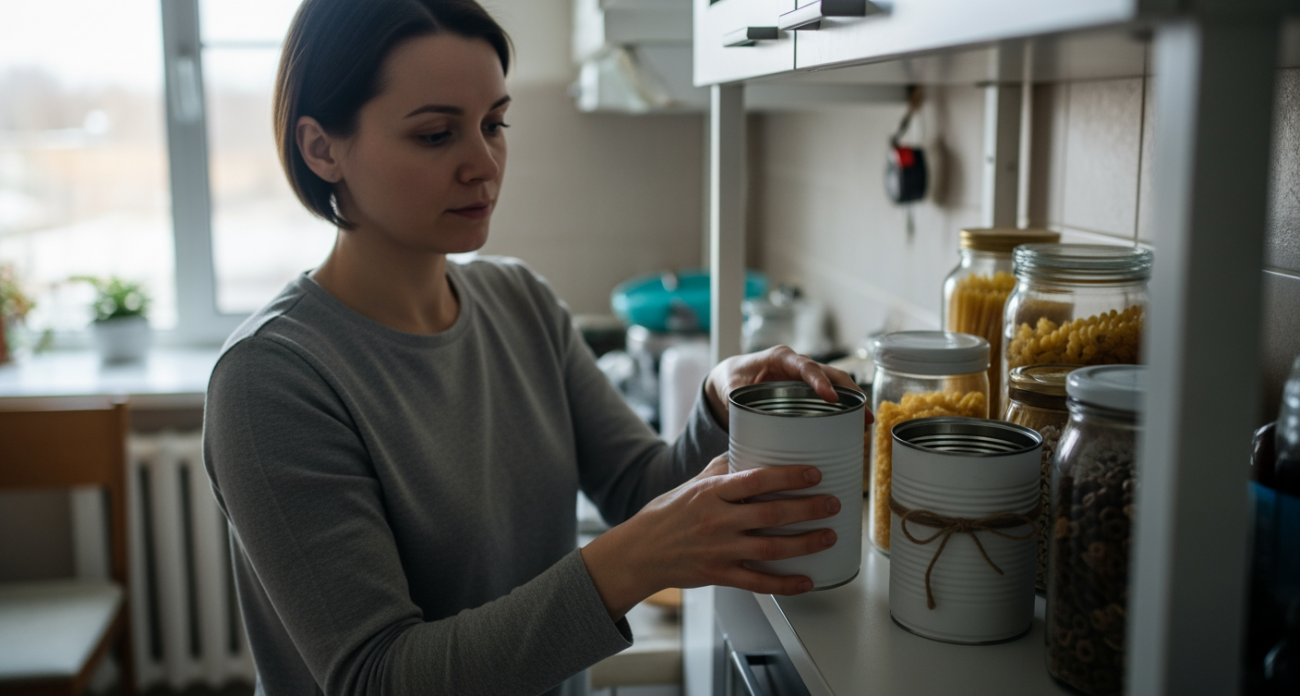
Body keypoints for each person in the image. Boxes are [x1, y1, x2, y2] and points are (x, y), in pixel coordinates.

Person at [202, 1, 867, 694]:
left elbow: (639, 488)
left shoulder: (520, 303)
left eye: (494, 124)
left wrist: (716, 399)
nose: (483, 164)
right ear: (321, 148)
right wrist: (627, 564)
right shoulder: (271, 381)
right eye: (435, 135)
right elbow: (378, 677)